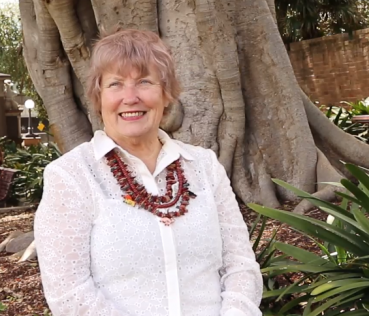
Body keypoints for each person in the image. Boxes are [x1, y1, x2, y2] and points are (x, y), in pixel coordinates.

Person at [34, 29, 263, 315]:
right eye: (115, 84)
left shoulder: (204, 167)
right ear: (98, 96)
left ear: (166, 93)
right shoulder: (71, 176)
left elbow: (240, 265)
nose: (130, 98)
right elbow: (70, 294)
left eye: (144, 82)